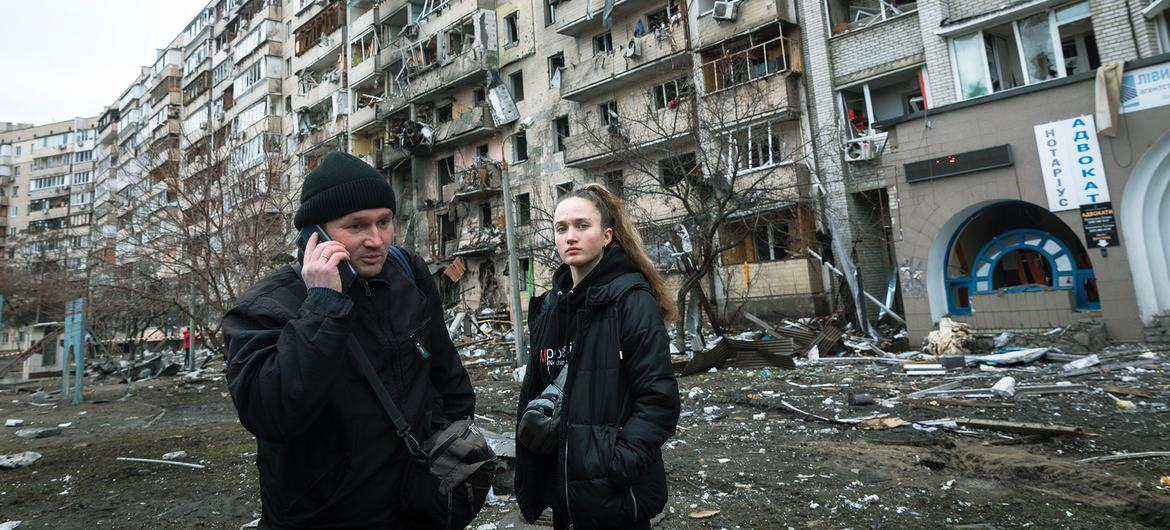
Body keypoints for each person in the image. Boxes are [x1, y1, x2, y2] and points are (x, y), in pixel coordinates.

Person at [222, 152, 475, 529]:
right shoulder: (264, 308)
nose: (376, 240)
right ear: (315, 235)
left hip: (416, 508)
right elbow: (271, 413)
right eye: (355, 226)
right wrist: (324, 304)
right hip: (326, 516)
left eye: (384, 222)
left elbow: (449, 378)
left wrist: (448, 452)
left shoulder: (407, 275)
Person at [515, 183, 681, 529]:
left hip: (616, 497)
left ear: (607, 236)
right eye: (561, 228)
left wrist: (615, 466)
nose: (570, 236)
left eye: (582, 226)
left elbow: (659, 401)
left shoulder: (632, 301)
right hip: (564, 496)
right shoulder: (550, 307)